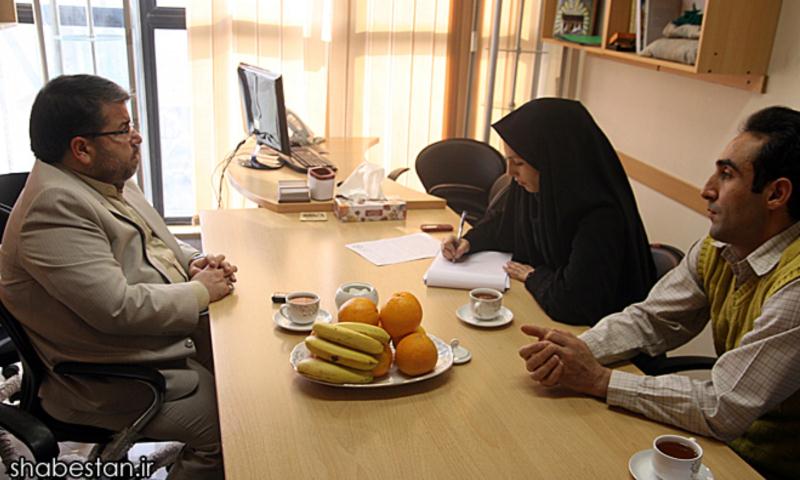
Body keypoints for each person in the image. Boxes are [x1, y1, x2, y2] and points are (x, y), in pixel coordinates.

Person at [518, 106, 800, 479]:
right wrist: (578, 350)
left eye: (727, 174)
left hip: (765, 464)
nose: (706, 189)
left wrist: (600, 380)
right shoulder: (720, 248)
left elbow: (724, 407)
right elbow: (651, 319)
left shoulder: (795, 288)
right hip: (723, 443)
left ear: (776, 194)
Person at [0, 74, 236, 479]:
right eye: (123, 129)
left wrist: (194, 262)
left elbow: (157, 242)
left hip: (147, 345)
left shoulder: (104, 178)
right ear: (82, 148)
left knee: (252, 373)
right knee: (232, 431)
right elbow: (117, 309)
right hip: (112, 375)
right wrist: (200, 291)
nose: (137, 137)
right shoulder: (53, 209)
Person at [443, 98, 656, 326]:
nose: (510, 172)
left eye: (519, 163)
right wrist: (469, 242)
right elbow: (505, 228)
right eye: (508, 160)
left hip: (602, 338)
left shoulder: (601, 215)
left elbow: (575, 303)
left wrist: (533, 277)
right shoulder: (540, 187)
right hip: (547, 318)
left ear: (554, 161)